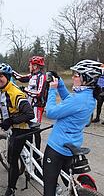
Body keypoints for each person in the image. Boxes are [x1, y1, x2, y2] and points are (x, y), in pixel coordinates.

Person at [43, 60, 103, 196]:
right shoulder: (88, 96)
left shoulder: (79, 99)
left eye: (76, 75)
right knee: (67, 179)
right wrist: (60, 83)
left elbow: (51, 112)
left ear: (86, 79)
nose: (73, 77)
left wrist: (52, 90)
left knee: (49, 186)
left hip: (57, 147)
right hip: (71, 145)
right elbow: (69, 100)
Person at [0, 63, 34, 196]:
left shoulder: (15, 93)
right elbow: (1, 107)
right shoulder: (1, 92)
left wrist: (10, 121)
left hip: (23, 130)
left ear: (8, 77)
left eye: (1, 76)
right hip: (15, 128)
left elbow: (29, 114)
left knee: (12, 159)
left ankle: (11, 189)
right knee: (26, 157)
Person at [12, 56, 49, 173]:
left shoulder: (42, 76)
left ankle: (38, 160)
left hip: (37, 107)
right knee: (28, 131)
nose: (29, 66)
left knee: (35, 131)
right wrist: (9, 71)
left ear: (35, 66)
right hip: (29, 106)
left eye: (30, 65)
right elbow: (20, 78)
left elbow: (38, 93)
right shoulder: (32, 75)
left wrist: (25, 90)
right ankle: (29, 155)